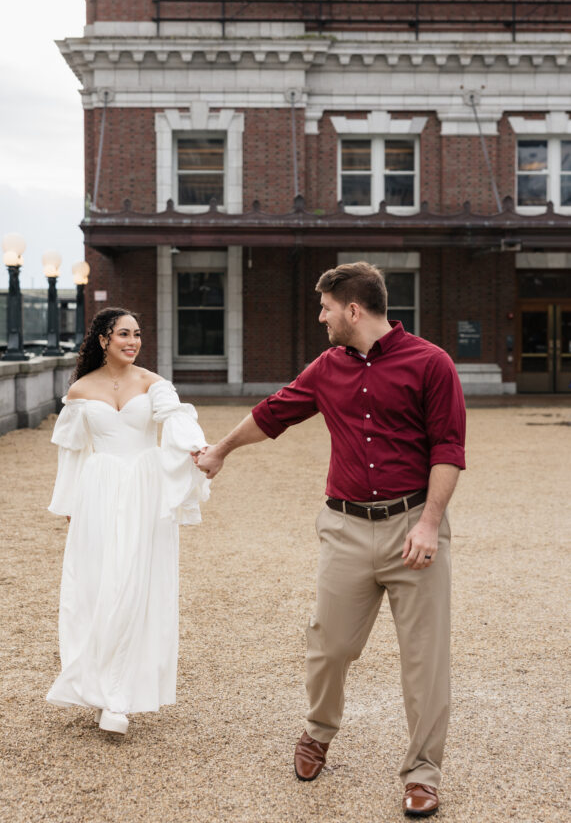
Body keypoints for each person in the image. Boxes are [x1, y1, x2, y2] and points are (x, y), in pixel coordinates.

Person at [195, 262, 465, 818]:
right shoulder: (327, 368)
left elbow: (447, 449)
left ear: (353, 309)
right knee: (329, 646)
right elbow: (275, 413)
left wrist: (430, 522)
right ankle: (319, 731)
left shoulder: (431, 364)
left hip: (411, 526)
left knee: (424, 660)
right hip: (343, 527)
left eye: (325, 308)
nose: (320, 317)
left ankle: (422, 774)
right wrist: (220, 450)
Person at [46, 307, 210, 734]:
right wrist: (69, 505)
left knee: (135, 585)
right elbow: (73, 453)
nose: (133, 341)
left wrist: (196, 449)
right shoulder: (81, 390)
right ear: (104, 339)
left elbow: (176, 420)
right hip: (98, 493)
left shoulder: (154, 384)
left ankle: (119, 696)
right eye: (123, 334)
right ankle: (97, 687)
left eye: (137, 334)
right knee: (96, 586)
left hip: (143, 490)